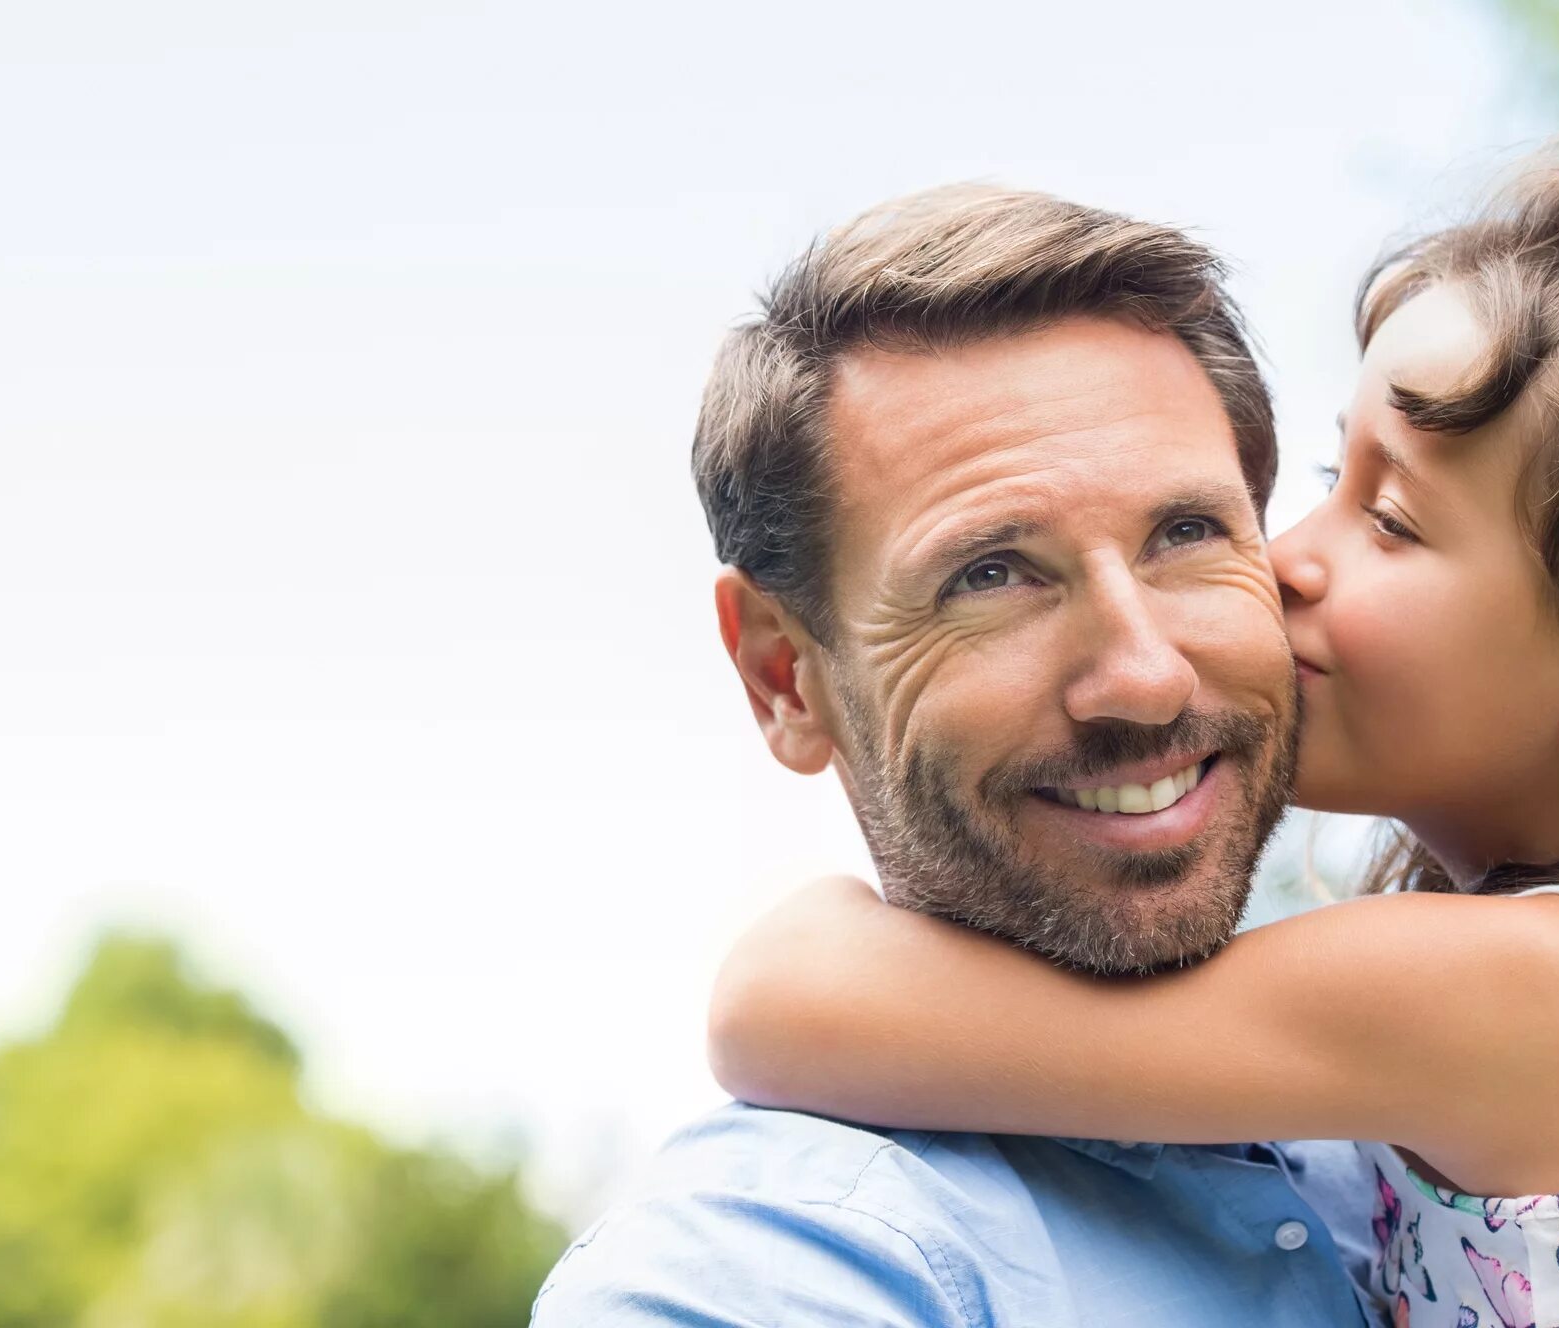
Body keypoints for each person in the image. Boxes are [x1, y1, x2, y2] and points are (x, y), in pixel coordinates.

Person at [710, 126, 1559, 1328]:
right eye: (1325, 478)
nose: (1285, 559)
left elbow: (784, 1007)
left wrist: (814, 927)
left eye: (1392, 521)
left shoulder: (1531, 989)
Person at [530, 187, 1384, 1325]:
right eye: (989, 574)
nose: (1144, 675)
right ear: (785, 676)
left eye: (1184, 534)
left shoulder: (1433, 1142)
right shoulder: (754, 1276)